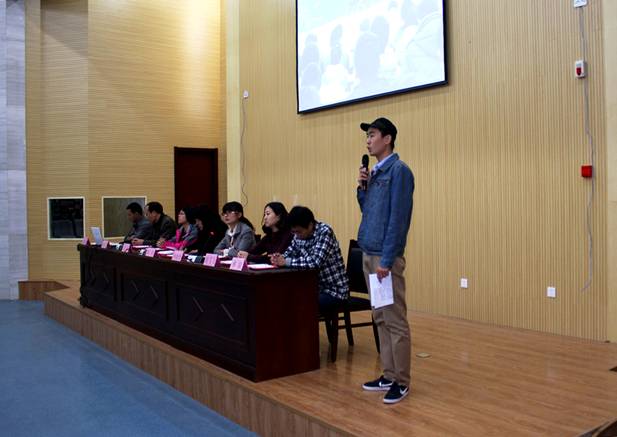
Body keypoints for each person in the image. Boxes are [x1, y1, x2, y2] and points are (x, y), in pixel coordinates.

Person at [357, 117, 414, 404]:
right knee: (380, 317)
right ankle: (389, 374)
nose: (368, 141)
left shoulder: (399, 171)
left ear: (388, 139)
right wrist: (362, 188)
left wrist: (388, 259)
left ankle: (401, 381)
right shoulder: (376, 173)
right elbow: (368, 211)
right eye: (367, 136)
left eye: (372, 135)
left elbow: (398, 220)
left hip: (384, 257)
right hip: (369, 251)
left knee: (395, 319)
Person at [270, 206, 348, 314]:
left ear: (310, 225)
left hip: (334, 291)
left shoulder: (325, 232)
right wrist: (278, 258)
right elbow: (288, 254)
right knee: (282, 298)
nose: (296, 235)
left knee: (300, 303)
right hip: (311, 287)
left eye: (299, 232)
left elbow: (315, 262)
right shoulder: (297, 235)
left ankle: (304, 326)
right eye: (294, 232)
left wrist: (286, 261)